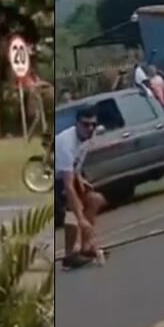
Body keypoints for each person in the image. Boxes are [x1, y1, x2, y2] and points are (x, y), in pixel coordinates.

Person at [55, 105, 105, 270]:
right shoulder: (65, 142)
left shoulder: (90, 136)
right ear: (76, 124)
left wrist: (80, 178)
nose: (89, 128)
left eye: (93, 124)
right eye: (85, 124)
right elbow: (67, 186)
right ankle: (69, 256)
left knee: (95, 200)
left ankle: (86, 248)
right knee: (72, 211)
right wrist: (80, 217)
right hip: (55, 178)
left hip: (70, 173)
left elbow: (77, 162)